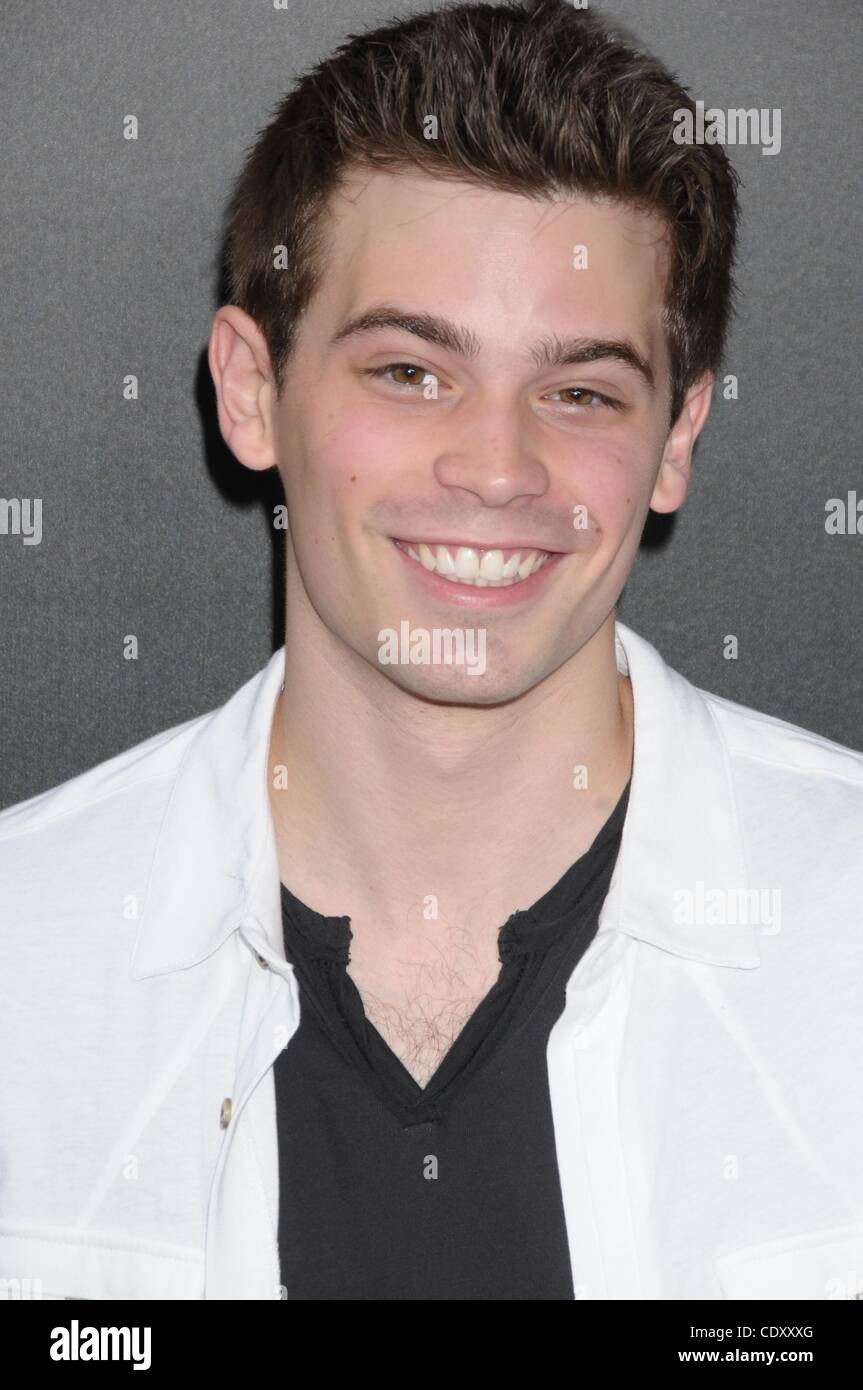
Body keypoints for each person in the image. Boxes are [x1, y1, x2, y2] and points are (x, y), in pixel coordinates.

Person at [1, 0, 862, 1302]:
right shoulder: (25, 957)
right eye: (410, 371)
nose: (497, 467)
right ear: (251, 392)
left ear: (677, 436)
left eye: (579, 390)